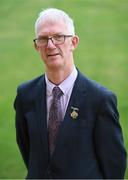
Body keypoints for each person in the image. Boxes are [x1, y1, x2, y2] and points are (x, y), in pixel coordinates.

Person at [14, 8, 127, 179]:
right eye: (43, 39)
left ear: (73, 42)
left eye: (59, 37)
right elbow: (28, 151)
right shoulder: (25, 95)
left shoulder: (100, 99)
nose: (50, 45)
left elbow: (114, 166)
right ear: (36, 46)